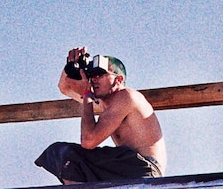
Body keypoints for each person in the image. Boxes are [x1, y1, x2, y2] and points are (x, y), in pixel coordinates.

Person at [35, 47, 166, 184]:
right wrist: (71, 66)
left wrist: (86, 94)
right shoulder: (105, 104)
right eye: (92, 75)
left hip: (142, 168)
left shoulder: (126, 97)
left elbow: (88, 141)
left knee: (66, 153)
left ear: (118, 80)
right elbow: (65, 88)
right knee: (59, 154)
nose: (94, 79)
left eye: (100, 74)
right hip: (124, 167)